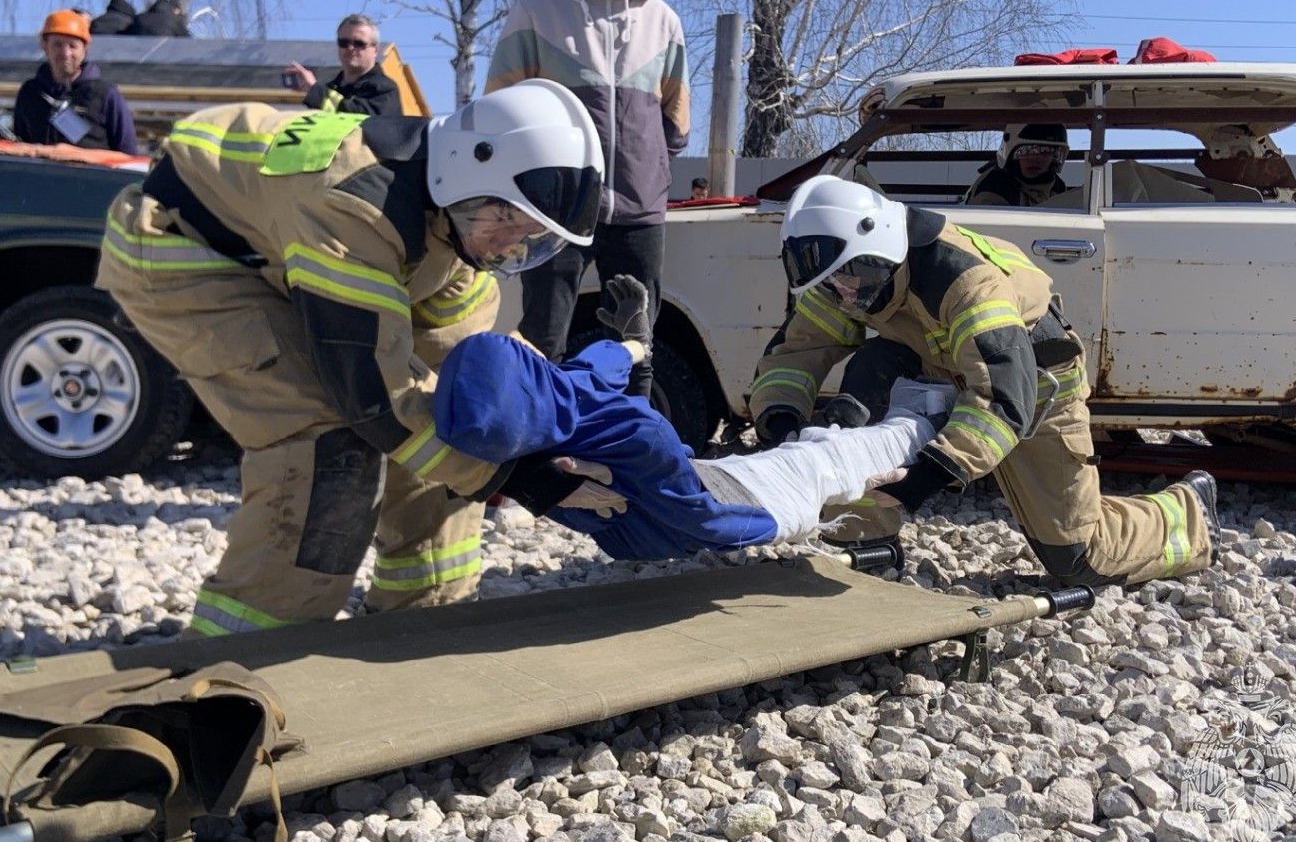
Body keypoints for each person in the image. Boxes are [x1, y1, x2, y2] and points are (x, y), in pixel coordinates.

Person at [95, 79, 623, 635]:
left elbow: (461, 383)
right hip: (183, 245)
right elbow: (377, 396)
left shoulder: (460, 222)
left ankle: (420, 626)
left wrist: (540, 435)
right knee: (326, 442)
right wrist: (519, 478)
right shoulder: (356, 206)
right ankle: (243, 660)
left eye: (531, 240)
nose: (509, 250)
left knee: (459, 422)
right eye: (507, 225)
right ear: (470, 178)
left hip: (277, 238)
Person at [748, 175, 1220, 588]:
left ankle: (1189, 513)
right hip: (940, 366)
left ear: (886, 245)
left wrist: (934, 471)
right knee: (868, 373)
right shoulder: (843, 274)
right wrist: (780, 417)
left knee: (1077, 558)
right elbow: (795, 354)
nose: (848, 295)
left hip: (1031, 382)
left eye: (855, 279)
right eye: (835, 285)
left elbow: (1001, 394)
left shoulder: (966, 282)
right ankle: (865, 540)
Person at [433, 279, 954, 561]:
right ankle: (920, 421)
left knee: (819, 453)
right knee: (825, 459)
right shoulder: (616, 421)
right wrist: (778, 526)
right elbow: (700, 517)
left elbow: (601, 366)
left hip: (645, 524)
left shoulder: (561, 405)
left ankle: (912, 418)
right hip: (712, 511)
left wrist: (637, 342)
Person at [486, 0, 689, 400]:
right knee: (543, 340)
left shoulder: (665, 22)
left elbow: (676, 121)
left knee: (637, 343)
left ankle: (630, 456)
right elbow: (499, 109)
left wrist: (650, 174)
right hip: (558, 209)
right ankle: (539, 463)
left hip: (639, 213)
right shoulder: (538, 11)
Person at [12, 10, 139, 154]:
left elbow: (128, 154)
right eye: (58, 44)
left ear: (85, 48)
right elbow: (19, 148)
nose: (66, 53)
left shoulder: (105, 94)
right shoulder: (30, 93)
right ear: (44, 45)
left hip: (92, 176)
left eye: (73, 46)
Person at [282, 14, 403, 117]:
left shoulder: (385, 90)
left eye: (359, 43)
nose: (350, 48)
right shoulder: (328, 89)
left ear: (375, 50)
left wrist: (316, 91)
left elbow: (359, 119)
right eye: (344, 43)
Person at [963, 123, 1069, 206]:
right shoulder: (994, 187)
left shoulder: (1058, 187)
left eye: (1045, 151)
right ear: (1011, 153)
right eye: (1026, 151)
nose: (1036, 159)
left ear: (1055, 156)